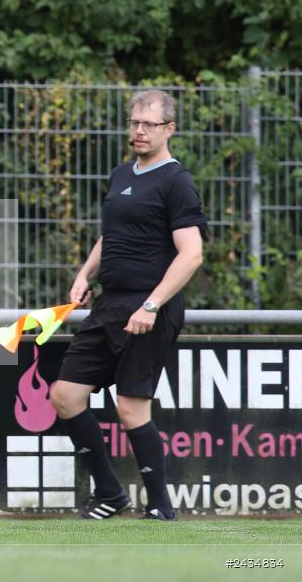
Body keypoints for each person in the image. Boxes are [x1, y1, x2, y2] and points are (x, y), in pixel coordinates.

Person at [49, 90, 206, 521]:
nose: (138, 131)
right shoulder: (122, 174)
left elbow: (191, 254)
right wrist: (84, 275)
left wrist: (152, 305)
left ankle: (160, 507)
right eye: (134, 123)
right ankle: (111, 494)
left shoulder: (177, 180)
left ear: (169, 129)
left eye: (148, 124)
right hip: (109, 305)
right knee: (64, 395)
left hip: (149, 308)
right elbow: (112, 235)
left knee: (131, 407)